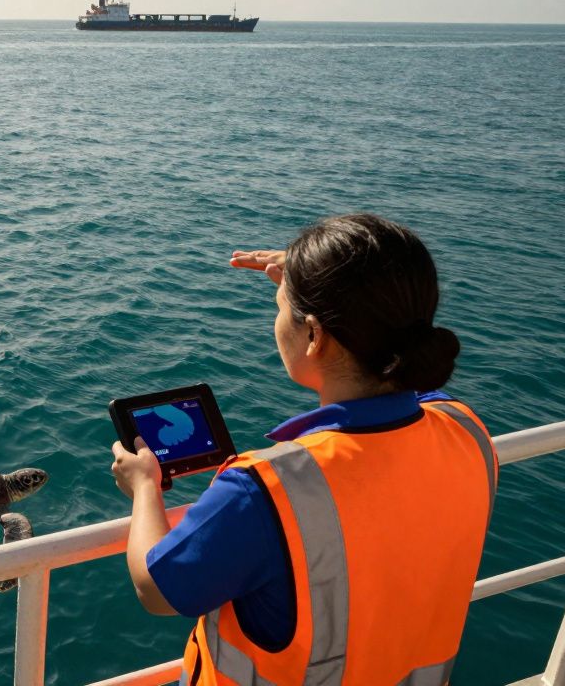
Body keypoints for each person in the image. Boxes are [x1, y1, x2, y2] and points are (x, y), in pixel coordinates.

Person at [111, 213, 498, 685]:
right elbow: (411, 393)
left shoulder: (265, 490)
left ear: (314, 336)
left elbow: (157, 590)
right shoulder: (467, 430)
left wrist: (145, 488)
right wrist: (314, 279)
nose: (277, 320)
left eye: (280, 307)